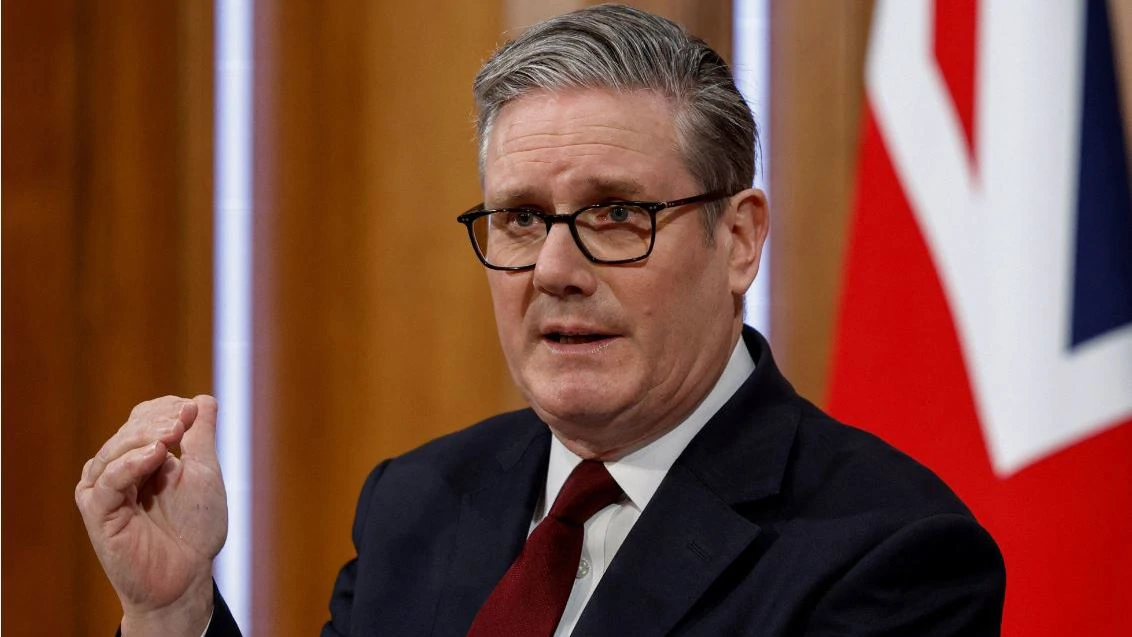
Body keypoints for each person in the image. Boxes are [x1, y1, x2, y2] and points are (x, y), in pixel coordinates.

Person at [75, 5, 1006, 636]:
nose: (556, 270)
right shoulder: (416, 501)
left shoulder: (889, 553)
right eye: (521, 218)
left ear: (738, 239)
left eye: (617, 213)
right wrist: (174, 612)